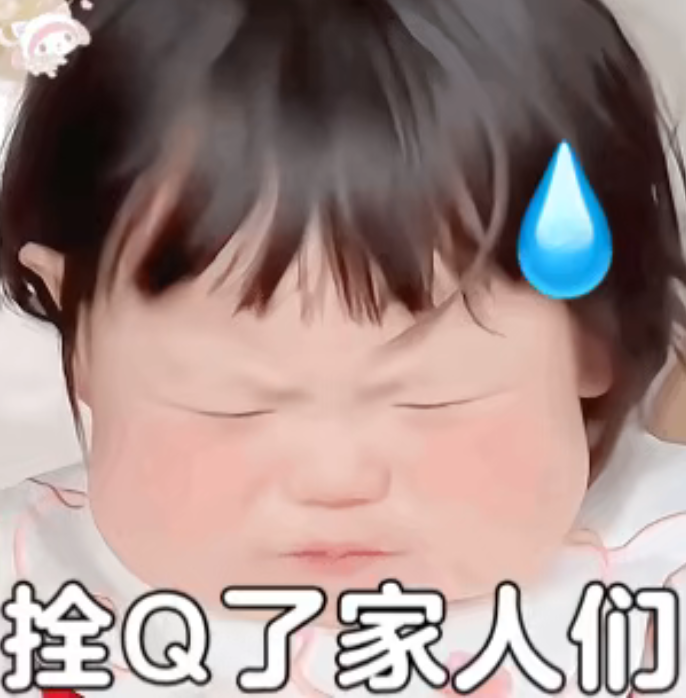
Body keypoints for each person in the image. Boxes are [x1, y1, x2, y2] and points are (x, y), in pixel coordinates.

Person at [1, 0, 686, 694]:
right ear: (80, 339)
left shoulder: (657, 586)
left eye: (432, 396)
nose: (334, 477)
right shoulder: (28, 593)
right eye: (231, 401)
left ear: (596, 335)